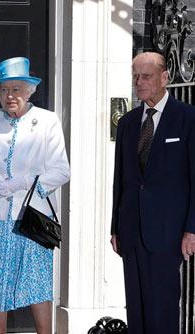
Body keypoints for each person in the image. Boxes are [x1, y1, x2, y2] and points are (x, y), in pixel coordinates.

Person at [0, 57, 70, 334]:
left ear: (28, 91)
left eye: (15, 89)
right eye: (3, 90)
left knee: (36, 287)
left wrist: (25, 183)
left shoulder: (47, 121)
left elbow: (61, 171)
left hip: (33, 218)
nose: (9, 96)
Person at [110, 51, 195, 333]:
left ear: (165, 77)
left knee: (164, 308)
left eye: (146, 76)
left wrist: (191, 229)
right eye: (136, 77)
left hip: (168, 232)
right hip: (131, 231)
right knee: (136, 310)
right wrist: (115, 228)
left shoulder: (188, 118)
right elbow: (120, 180)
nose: (139, 82)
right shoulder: (127, 122)